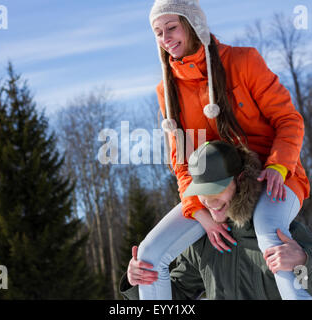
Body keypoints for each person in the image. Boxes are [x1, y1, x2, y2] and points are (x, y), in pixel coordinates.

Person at [136, 0, 310, 300]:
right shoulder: (167, 90)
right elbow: (180, 161)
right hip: (210, 185)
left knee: (270, 235)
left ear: (192, 25)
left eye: (172, 28)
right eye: (158, 33)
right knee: (149, 256)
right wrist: (199, 213)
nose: (166, 38)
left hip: (270, 174)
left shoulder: (243, 61)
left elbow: (289, 120)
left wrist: (278, 166)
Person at [120, 141, 312, 300]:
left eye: (216, 189)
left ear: (240, 179)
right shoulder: (201, 244)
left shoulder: (281, 233)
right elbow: (177, 295)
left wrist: (305, 263)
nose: (210, 201)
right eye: (202, 192)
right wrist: (139, 280)